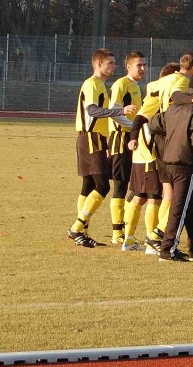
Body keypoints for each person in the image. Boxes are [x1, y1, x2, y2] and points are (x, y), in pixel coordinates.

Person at [130, 52, 193, 251]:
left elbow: (142, 115)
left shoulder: (159, 83)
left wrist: (133, 137)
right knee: (174, 194)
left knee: (167, 193)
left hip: (160, 139)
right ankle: (156, 235)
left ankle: (154, 237)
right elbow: (176, 96)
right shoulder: (181, 81)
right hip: (172, 139)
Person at [67, 49, 137, 248]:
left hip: (95, 138)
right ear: (99, 64)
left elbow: (107, 114)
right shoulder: (92, 84)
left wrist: (132, 126)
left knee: (88, 185)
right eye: (111, 63)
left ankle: (82, 232)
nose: (114, 66)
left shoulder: (100, 86)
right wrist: (120, 110)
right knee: (103, 185)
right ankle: (76, 228)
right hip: (90, 138)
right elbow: (93, 110)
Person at [147, 74, 193, 262]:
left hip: (170, 163)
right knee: (181, 208)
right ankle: (168, 249)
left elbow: (153, 123)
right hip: (187, 167)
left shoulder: (173, 110)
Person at [122, 62, 179, 253]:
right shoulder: (158, 94)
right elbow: (141, 119)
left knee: (140, 197)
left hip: (144, 154)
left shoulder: (154, 91)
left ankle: (128, 239)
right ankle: (150, 241)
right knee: (154, 198)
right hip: (149, 155)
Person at [107, 50, 146, 249]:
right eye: (138, 65)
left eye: (144, 65)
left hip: (133, 138)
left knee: (136, 185)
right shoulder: (121, 84)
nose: (143, 68)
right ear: (128, 66)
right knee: (120, 186)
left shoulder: (137, 87)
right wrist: (132, 128)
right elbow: (113, 111)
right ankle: (118, 233)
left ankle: (125, 230)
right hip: (121, 138)